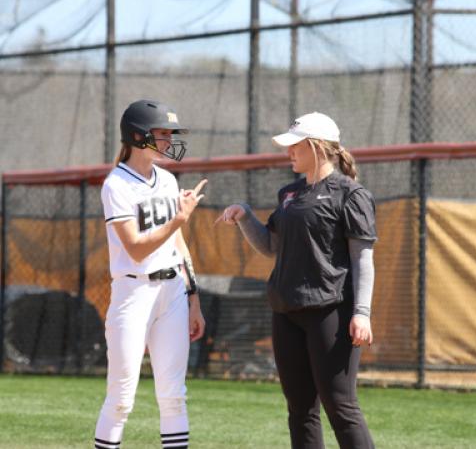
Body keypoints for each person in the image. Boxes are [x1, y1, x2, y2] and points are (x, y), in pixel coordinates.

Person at [217, 112, 377, 449]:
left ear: (318, 147)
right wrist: (245, 215)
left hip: (331, 312)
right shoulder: (289, 194)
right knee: (300, 410)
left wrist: (361, 312)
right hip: (285, 311)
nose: (288, 152)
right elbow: (270, 246)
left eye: (295, 145)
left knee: (340, 406)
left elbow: (363, 258)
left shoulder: (350, 194)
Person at [95, 99, 206, 449]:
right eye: (161, 133)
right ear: (137, 135)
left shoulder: (168, 180)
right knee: (121, 396)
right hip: (134, 293)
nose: (168, 139)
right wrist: (178, 218)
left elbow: (179, 245)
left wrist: (194, 299)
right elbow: (136, 248)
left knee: (173, 395)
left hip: (171, 291)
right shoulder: (117, 185)